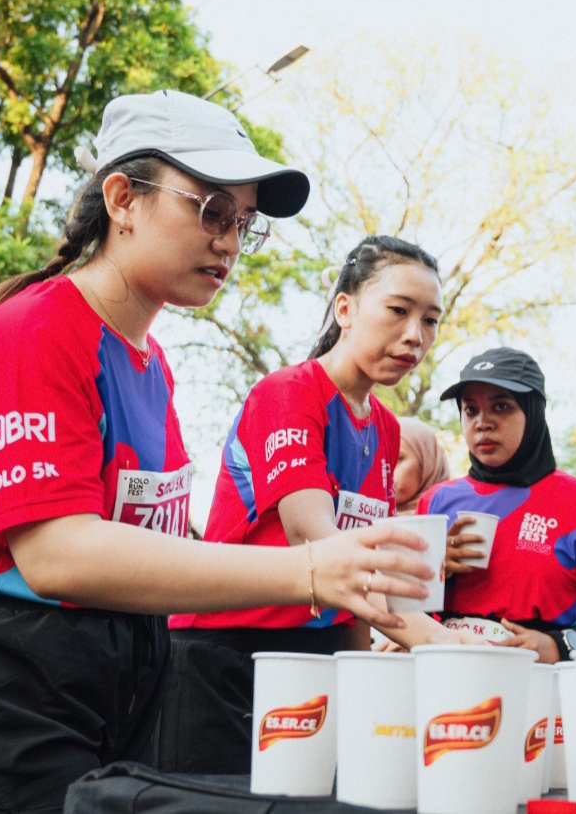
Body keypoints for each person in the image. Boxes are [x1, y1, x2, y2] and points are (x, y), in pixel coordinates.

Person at [0, 91, 436, 813]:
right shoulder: (38, 328)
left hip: (89, 691)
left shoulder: (151, 365)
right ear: (122, 198)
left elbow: (147, 548)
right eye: (212, 211)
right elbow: (58, 553)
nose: (231, 242)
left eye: (245, 223)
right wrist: (308, 569)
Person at [159, 235, 474, 777]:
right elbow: (317, 540)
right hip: (226, 655)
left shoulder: (385, 426)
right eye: (399, 311)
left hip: (318, 655)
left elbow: (355, 585)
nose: (413, 336)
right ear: (345, 308)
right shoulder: (289, 394)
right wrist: (440, 640)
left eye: (430, 321)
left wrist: (361, 669)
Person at [419, 347, 576, 659]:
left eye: (501, 407)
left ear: (533, 412)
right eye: (471, 410)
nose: (483, 422)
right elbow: (399, 613)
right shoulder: (435, 502)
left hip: (542, 689)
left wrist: (557, 646)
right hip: (449, 677)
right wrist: (434, 570)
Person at [394, 417, 450, 515]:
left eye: (398, 458)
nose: (386, 469)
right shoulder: (364, 516)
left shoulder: (451, 515)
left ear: (427, 464)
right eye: (384, 459)